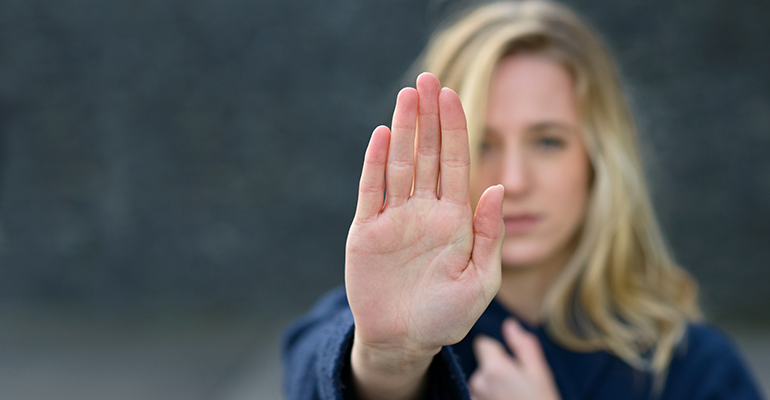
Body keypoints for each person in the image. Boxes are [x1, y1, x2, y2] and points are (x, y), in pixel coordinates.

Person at [282, 1, 764, 399]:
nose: (514, 180)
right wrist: (389, 361)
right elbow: (309, 375)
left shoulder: (694, 369)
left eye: (547, 141)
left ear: (598, 157)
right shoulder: (371, 322)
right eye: (483, 144)